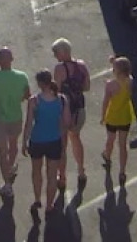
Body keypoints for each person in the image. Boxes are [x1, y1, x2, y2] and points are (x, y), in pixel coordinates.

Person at [0, 46, 30, 198]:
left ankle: (7, 184)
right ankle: (11, 168)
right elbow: (27, 95)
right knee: (13, 145)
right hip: (15, 117)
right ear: (12, 60)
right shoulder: (22, 77)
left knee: (2, 152)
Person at [22, 69, 67, 215]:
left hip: (37, 140)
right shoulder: (61, 100)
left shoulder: (34, 100)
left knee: (36, 171)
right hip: (54, 140)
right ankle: (49, 205)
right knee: (52, 175)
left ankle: (37, 199)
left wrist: (24, 142)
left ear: (40, 83)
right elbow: (65, 123)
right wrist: (63, 142)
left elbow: (29, 123)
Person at [51, 38, 91, 190]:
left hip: (65, 110)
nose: (55, 56)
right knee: (76, 138)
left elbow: (57, 91)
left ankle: (62, 177)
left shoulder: (59, 69)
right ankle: (81, 170)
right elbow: (86, 87)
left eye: (56, 52)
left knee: (62, 144)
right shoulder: (81, 66)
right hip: (79, 108)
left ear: (63, 52)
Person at [100, 55, 135, 185]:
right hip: (125, 116)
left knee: (110, 139)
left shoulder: (110, 85)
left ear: (117, 71)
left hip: (113, 117)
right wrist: (114, 61)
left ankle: (107, 156)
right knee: (122, 145)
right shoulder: (130, 81)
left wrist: (103, 116)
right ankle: (122, 171)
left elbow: (105, 102)